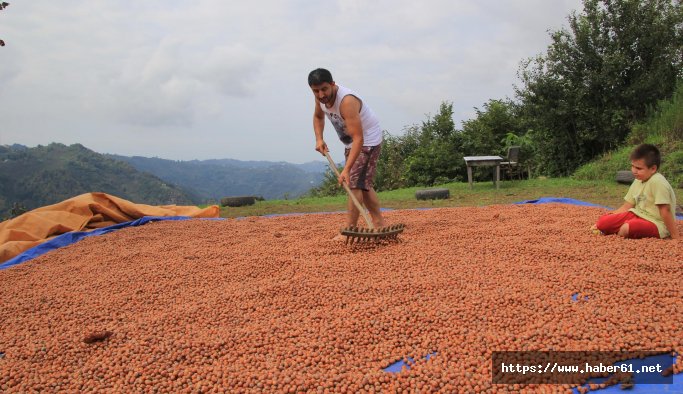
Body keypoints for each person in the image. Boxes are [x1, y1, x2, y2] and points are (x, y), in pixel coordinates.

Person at [308, 68, 386, 234]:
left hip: (367, 140)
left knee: (353, 183)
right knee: (362, 183)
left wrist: (347, 169)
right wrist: (319, 139)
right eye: (316, 91)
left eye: (324, 89)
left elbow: (359, 138)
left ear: (332, 84)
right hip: (352, 143)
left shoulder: (347, 101)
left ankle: (350, 229)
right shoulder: (320, 99)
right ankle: (379, 222)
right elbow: (318, 117)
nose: (321, 95)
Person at [592, 144, 679, 239]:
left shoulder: (658, 182)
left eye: (638, 168)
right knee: (602, 222)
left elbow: (665, 210)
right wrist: (607, 220)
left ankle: (620, 231)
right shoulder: (638, 180)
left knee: (626, 228)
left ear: (653, 169)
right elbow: (627, 206)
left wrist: (675, 236)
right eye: (632, 166)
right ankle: (618, 229)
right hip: (636, 214)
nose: (634, 171)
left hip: (656, 222)